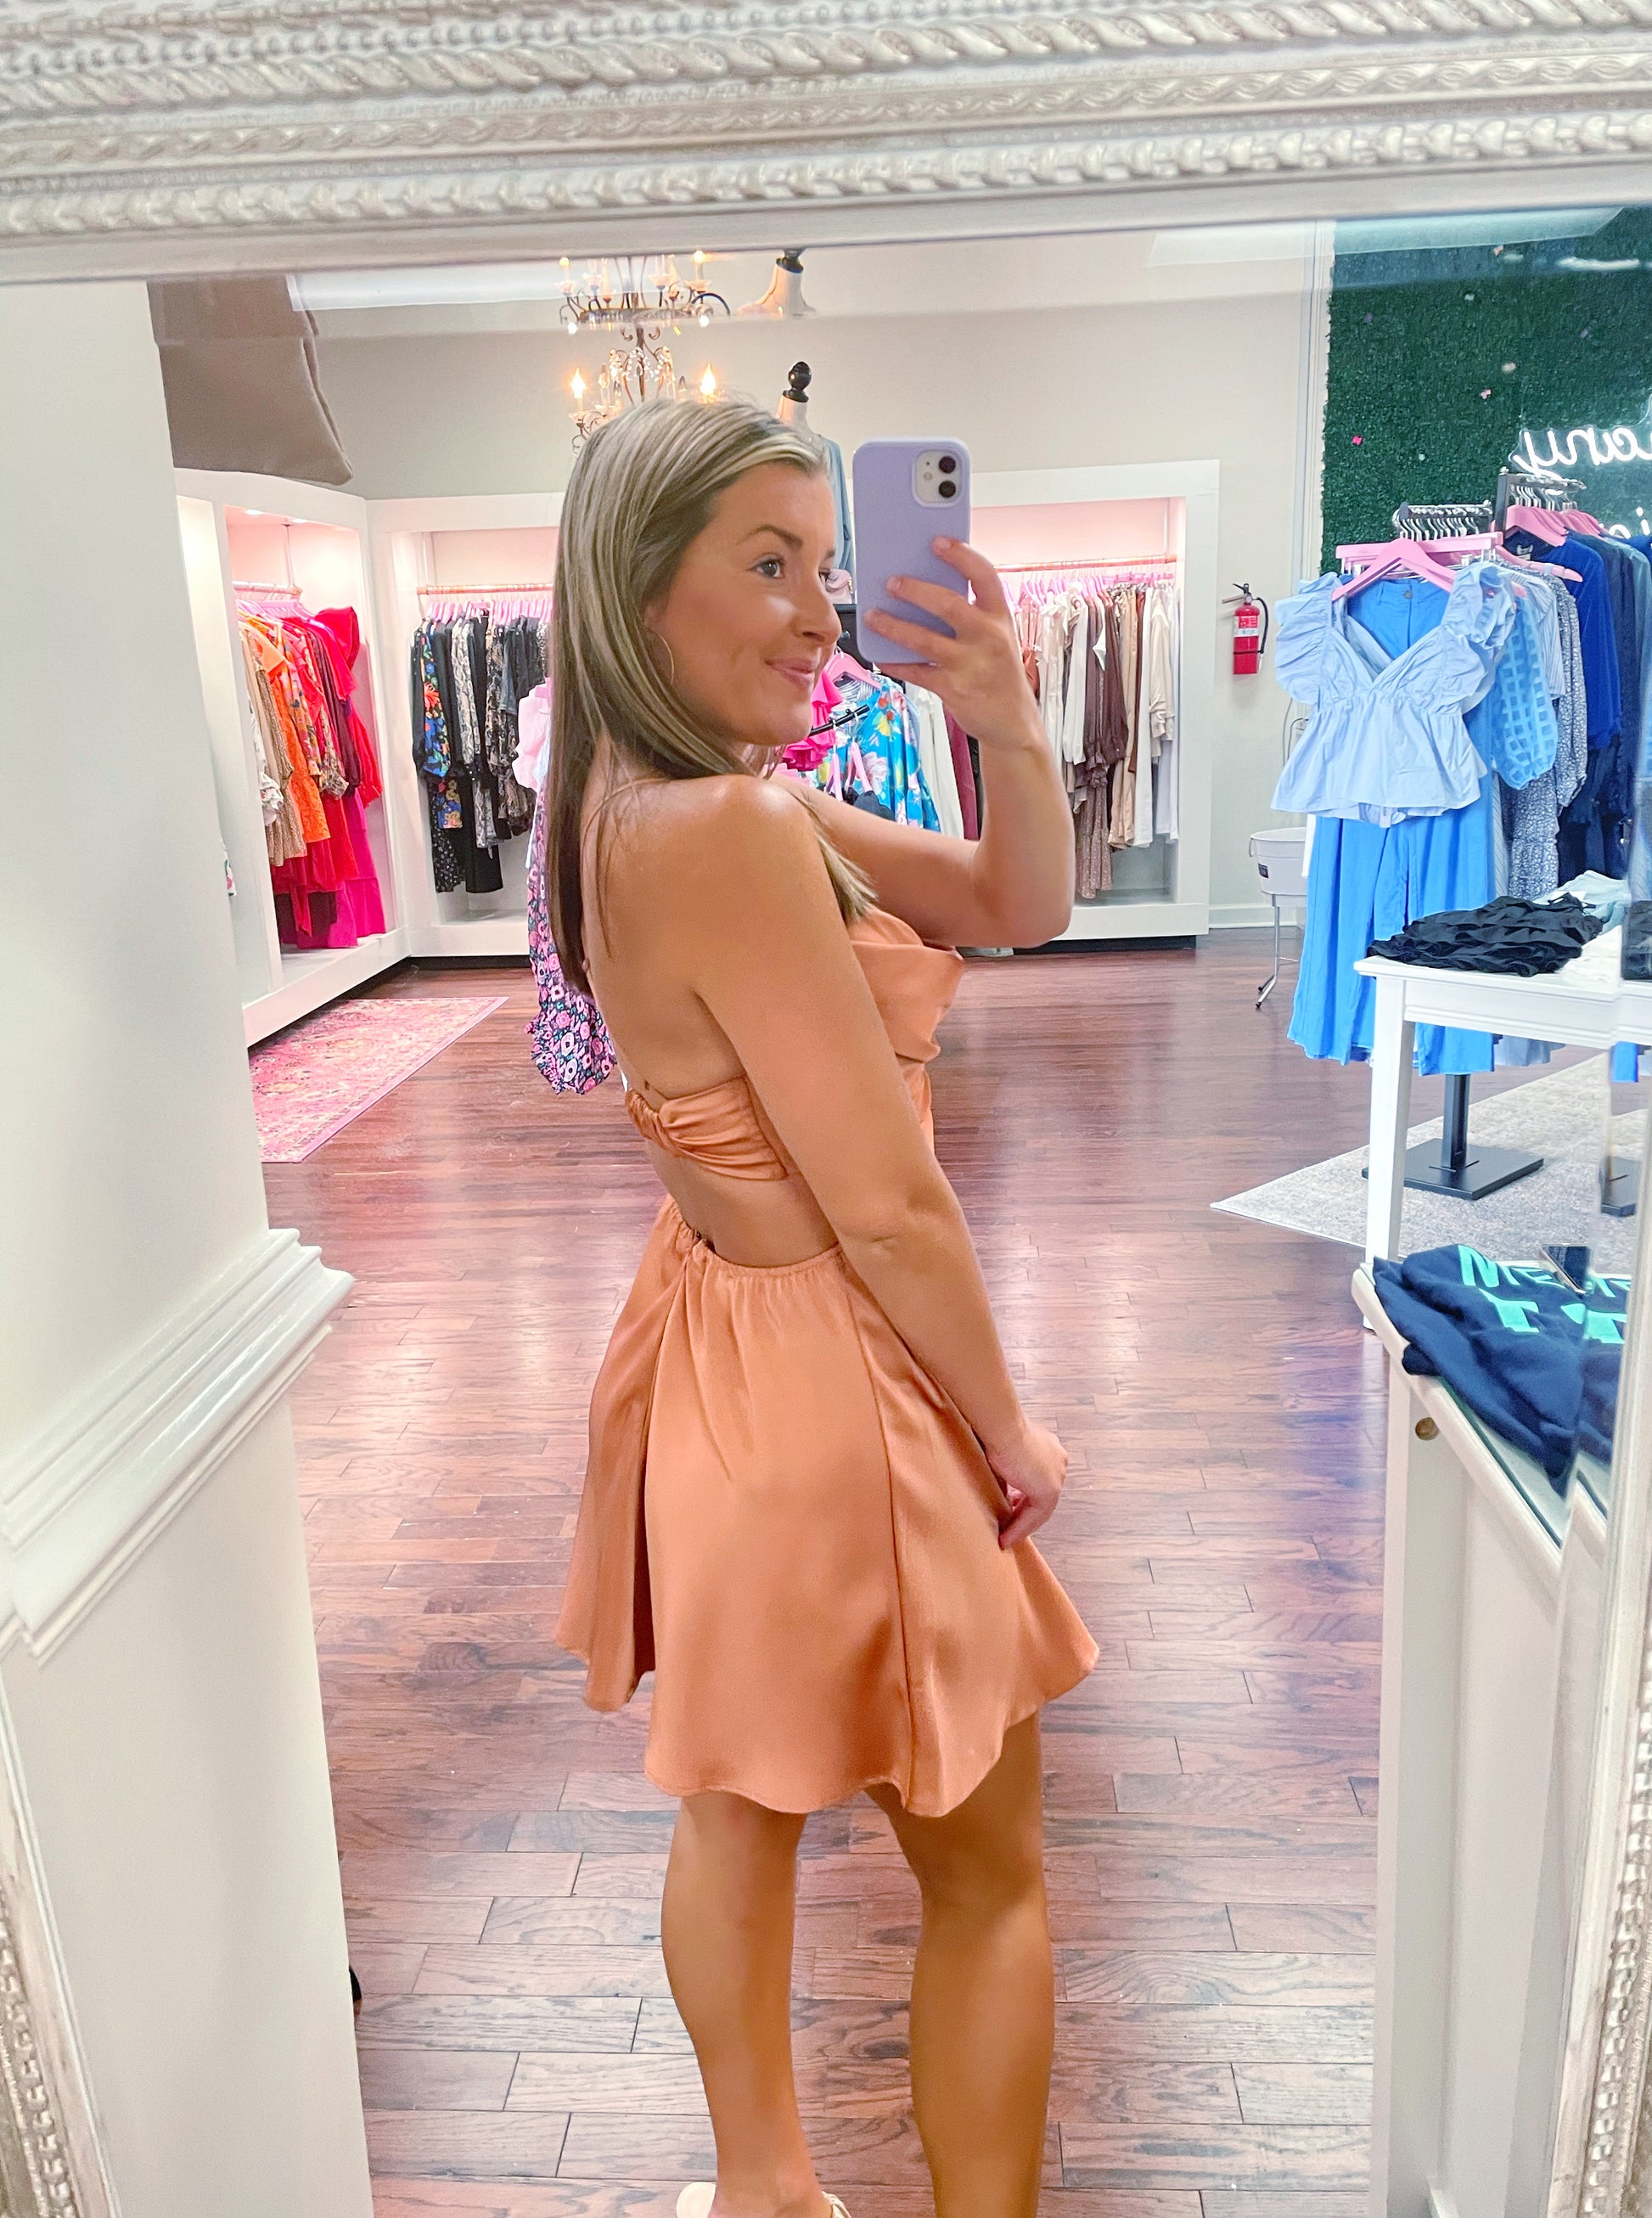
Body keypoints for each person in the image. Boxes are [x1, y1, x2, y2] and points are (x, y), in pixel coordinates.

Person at [549, 396, 1098, 2218]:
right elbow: (885, 1202)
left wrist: (1003, 719)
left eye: (826, 564)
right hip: (835, 1373)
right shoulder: (725, 824)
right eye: (768, 564)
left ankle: (764, 2188)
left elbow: (1016, 898)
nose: (818, 612)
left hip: (717, 1340)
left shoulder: (649, 805)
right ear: (641, 586)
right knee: (987, 1875)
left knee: (736, 1801)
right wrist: (1007, 1429)